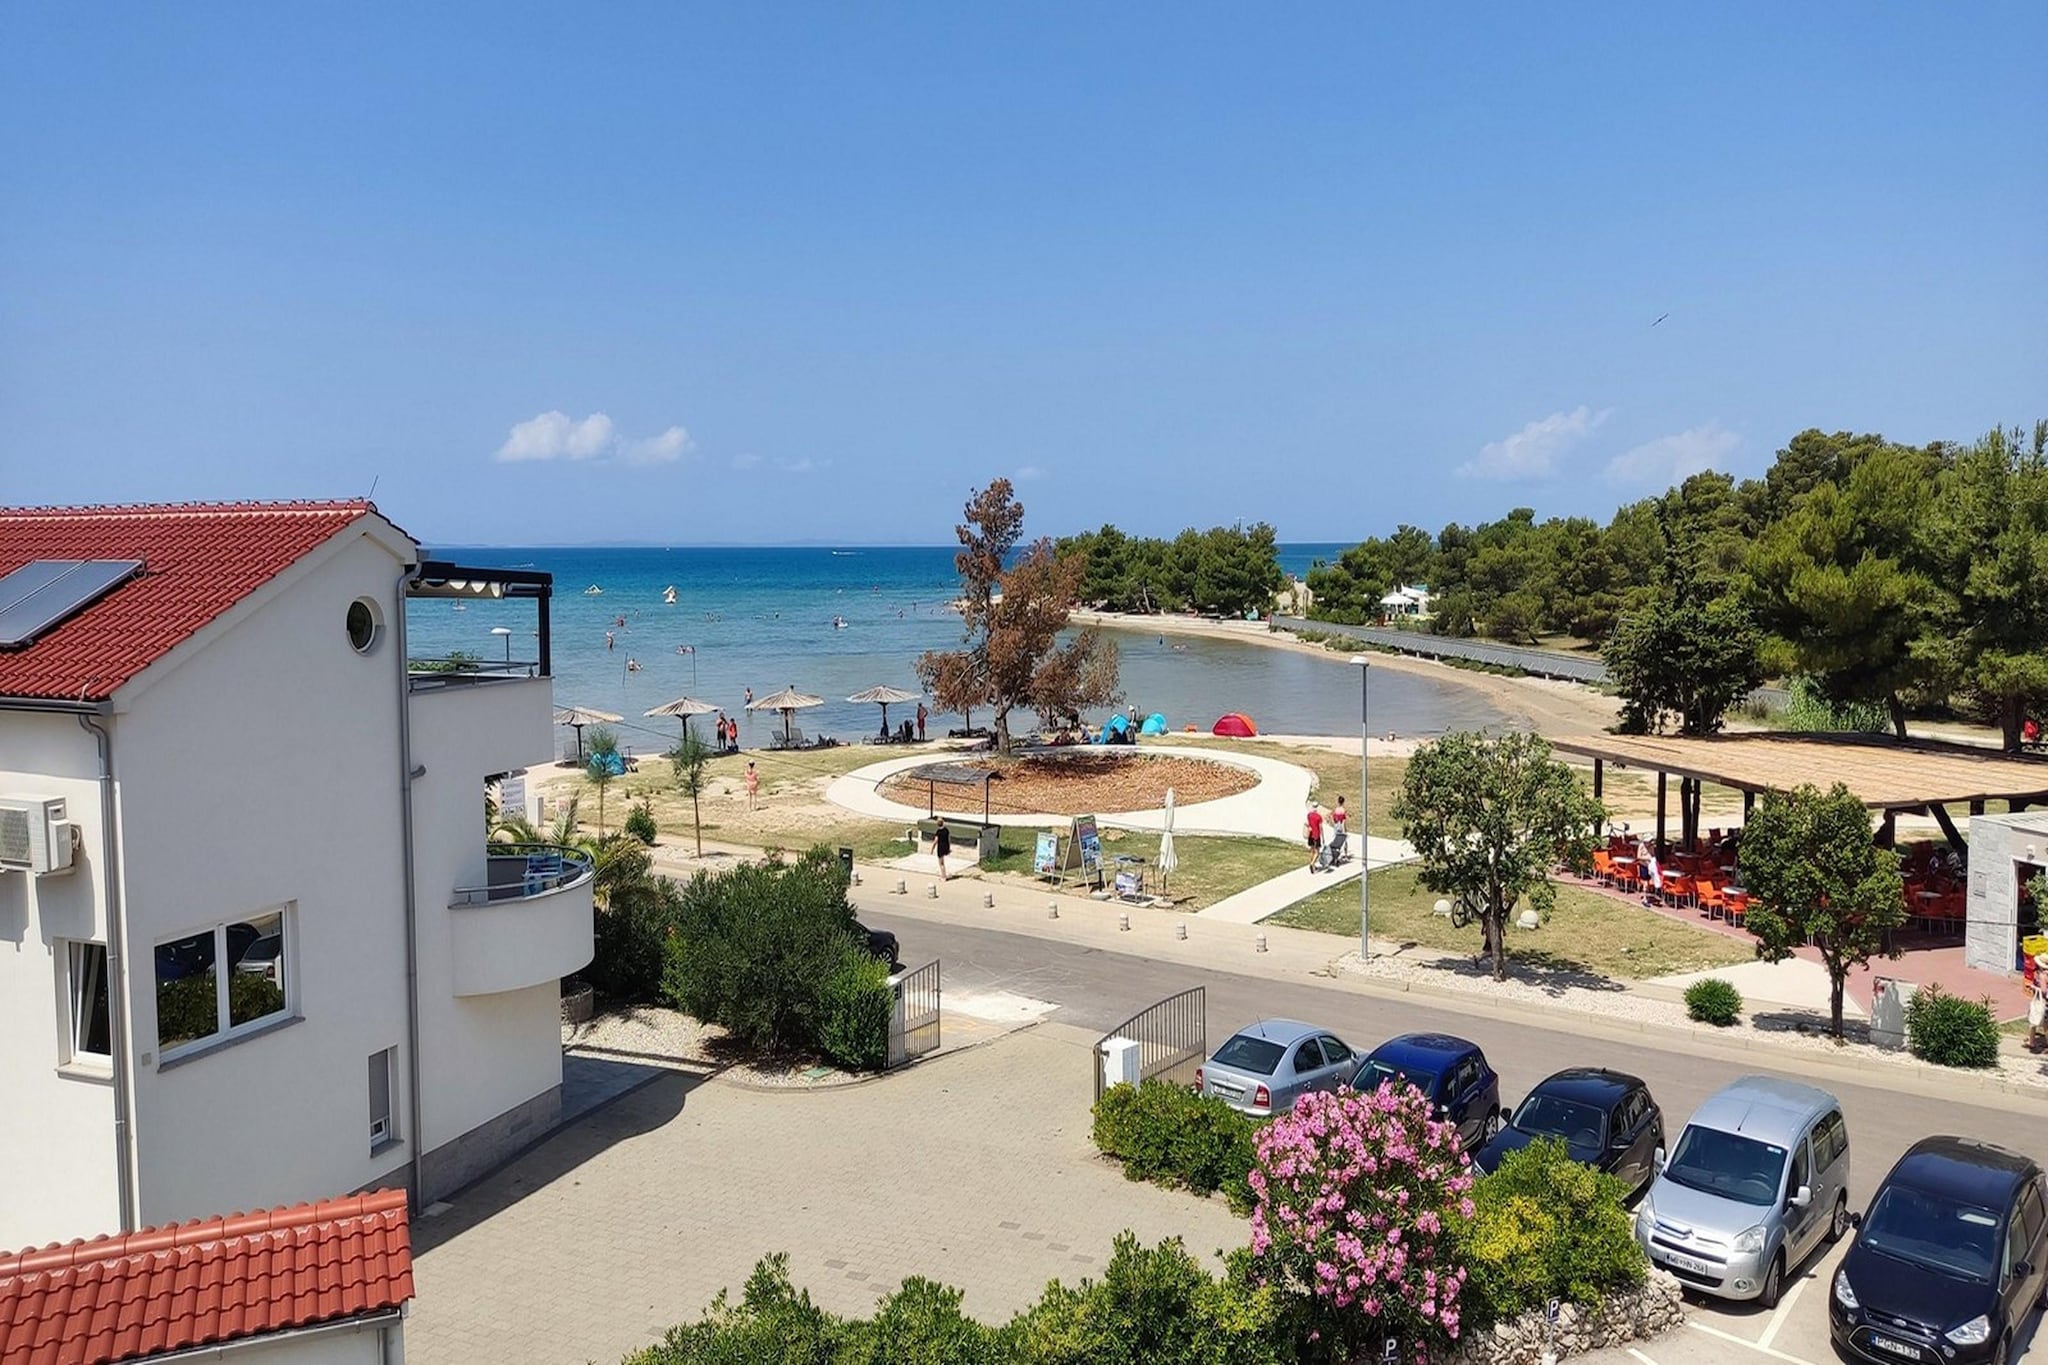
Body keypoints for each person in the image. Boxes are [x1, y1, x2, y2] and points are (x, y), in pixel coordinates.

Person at [1305, 802, 1324, 873]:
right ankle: (1312, 863)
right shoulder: (1319, 817)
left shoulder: (1309, 815)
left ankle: (1313, 866)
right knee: (1317, 852)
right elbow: (1320, 827)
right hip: (1316, 835)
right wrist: (1323, 837)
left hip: (1311, 835)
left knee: (1312, 851)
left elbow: (1307, 823)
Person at [933, 815, 952, 880]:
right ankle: (943, 875)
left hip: (940, 848)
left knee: (941, 863)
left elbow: (935, 841)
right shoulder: (946, 830)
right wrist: (949, 848)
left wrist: (932, 848)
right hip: (946, 847)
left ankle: (943, 876)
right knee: (942, 862)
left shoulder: (938, 832)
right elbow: (949, 839)